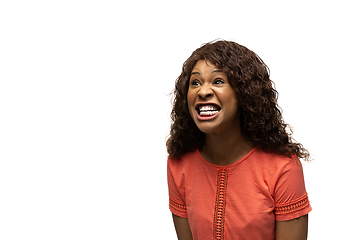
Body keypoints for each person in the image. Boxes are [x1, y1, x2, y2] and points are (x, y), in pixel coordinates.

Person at [166, 40, 312, 240]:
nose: (203, 91)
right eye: (195, 83)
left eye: (218, 81)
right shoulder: (179, 164)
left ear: (245, 94)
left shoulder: (283, 167)